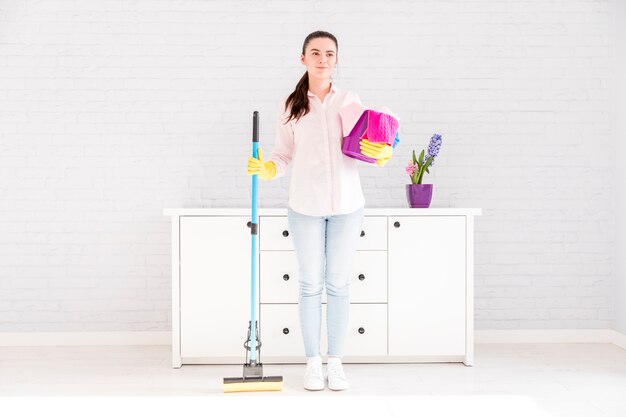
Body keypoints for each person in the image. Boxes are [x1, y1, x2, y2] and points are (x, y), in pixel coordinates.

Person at [246, 30, 394, 391]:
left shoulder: (350, 100)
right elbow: (283, 155)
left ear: (337, 60)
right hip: (305, 206)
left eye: (329, 53)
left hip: (347, 205)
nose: (323, 59)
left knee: (339, 284)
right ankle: (313, 362)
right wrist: (268, 168)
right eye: (315, 52)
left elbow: (367, 145)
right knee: (311, 285)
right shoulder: (291, 105)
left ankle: (336, 363)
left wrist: (382, 152)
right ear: (303, 59)